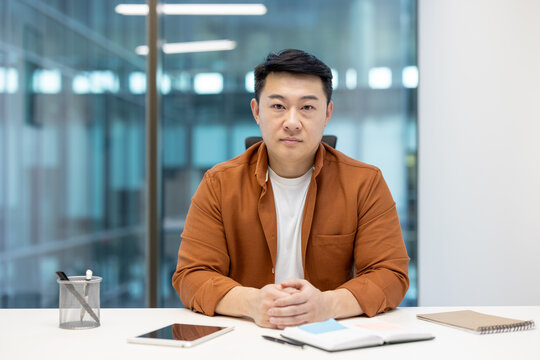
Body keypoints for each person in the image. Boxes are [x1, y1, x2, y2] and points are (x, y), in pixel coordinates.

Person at [172, 49, 409, 329]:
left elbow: (391, 274)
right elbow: (191, 274)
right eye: (278, 106)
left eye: (307, 107)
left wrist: (327, 305)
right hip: (245, 338)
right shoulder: (219, 183)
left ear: (328, 113)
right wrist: (250, 302)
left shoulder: (365, 182)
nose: (292, 122)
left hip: (331, 338)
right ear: (257, 112)